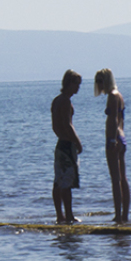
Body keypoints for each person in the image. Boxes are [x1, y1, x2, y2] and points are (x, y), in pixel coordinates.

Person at [95, 68, 129, 224]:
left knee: (116, 179)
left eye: (100, 82)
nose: (98, 85)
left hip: (114, 138)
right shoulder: (119, 95)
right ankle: (124, 215)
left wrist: (111, 141)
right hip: (121, 137)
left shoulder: (112, 97)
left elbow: (113, 120)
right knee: (122, 178)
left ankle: (118, 215)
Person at [51, 69, 82, 224]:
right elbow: (68, 125)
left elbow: (55, 126)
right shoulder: (65, 101)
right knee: (66, 181)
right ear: (70, 83)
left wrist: (61, 136)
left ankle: (60, 215)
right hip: (66, 144)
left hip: (60, 144)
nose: (78, 88)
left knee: (59, 180)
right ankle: (68, 215)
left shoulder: (56, 100)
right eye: (77, 84)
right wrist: (77, 142)